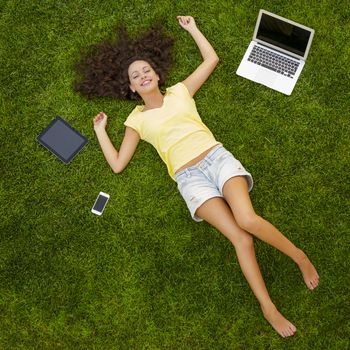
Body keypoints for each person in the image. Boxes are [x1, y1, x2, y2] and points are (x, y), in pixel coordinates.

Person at [75, 16, 319, 338]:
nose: (143, 75)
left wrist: (192, 29)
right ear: (132, 88)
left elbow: (212, 59)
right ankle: (268, 307)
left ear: (157, 74)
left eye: (146, 70)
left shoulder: (180, 92)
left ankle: (299, 257)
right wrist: (100, 131)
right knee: (241, 240)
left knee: (247, 219)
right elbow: (118, 164)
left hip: (216, 159)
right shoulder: (135, 120)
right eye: (136, 76)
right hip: (190, 179)